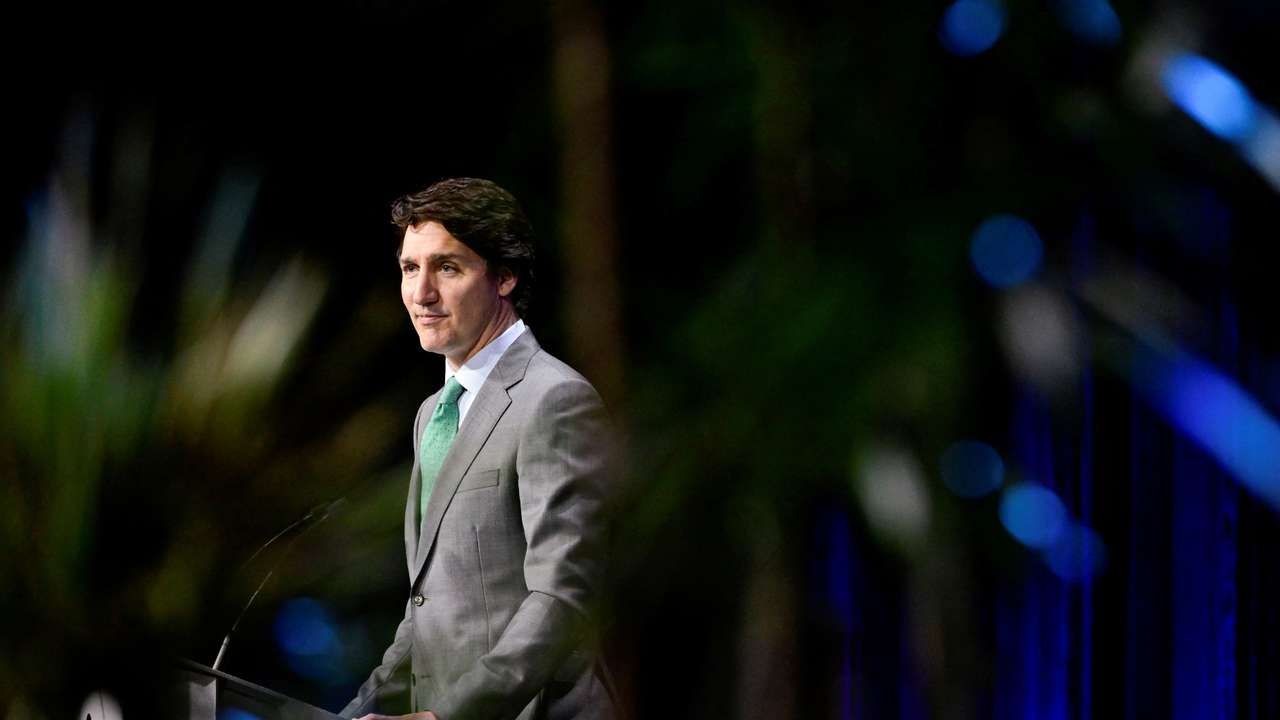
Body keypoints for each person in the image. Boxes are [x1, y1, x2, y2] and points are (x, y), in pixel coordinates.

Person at [343, 178, 617, 720]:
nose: (421, 294)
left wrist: (452, 716)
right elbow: (428, 610)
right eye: (409, 268)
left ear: (505, 276)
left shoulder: (553, 399)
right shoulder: (432, 414)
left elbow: (562, 598)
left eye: (447, 268)